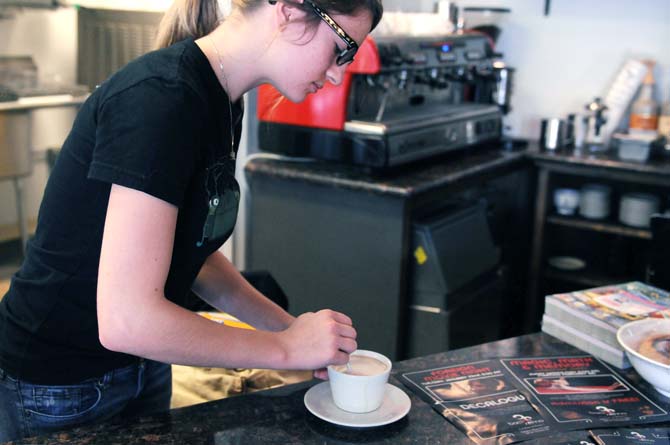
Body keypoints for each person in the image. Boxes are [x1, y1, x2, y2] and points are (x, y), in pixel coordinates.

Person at [0, 0, 383, 441]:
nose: (338, 73)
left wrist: (288, 328)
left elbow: (194, 256)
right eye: (342, 48)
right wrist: (284, 348)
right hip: (60, 385)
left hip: (144, 364)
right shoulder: (161, 98)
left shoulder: (221, 101)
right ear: (290, 10)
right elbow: (127, 320)